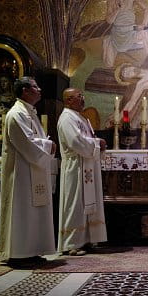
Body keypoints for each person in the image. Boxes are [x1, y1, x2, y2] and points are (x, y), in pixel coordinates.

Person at [0, 76, 57, 268]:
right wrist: (48, 145)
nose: (39, 90)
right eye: (35, 87)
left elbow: (35, 140)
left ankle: (31, 251)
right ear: (24, 91)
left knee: (33, 212)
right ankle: (19, 253)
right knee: (22, 212)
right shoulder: (16, 114)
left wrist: (45, 145)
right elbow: (27, 143)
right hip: (21, 174)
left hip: (33, 170)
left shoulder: (29, 113)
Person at [57, 88, 108, 256]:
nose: (83, 99)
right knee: (75, 204)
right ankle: (71, 243)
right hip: (75, 167)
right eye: (79, 97)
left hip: (86, 165)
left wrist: (95, 142)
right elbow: (75, 141)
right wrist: (96, 143)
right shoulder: (66, 117)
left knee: (85, 204)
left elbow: (85, 139)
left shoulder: (80, 117)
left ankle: (85, 240)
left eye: (82, 96)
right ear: (69, 100)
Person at [102, 0, 148, 68]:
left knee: (144, 34)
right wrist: (117, 9)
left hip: (131, 31)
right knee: (108, 64)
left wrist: (144, 24)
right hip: (117, 33)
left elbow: (147, 10)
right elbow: (109, 21)